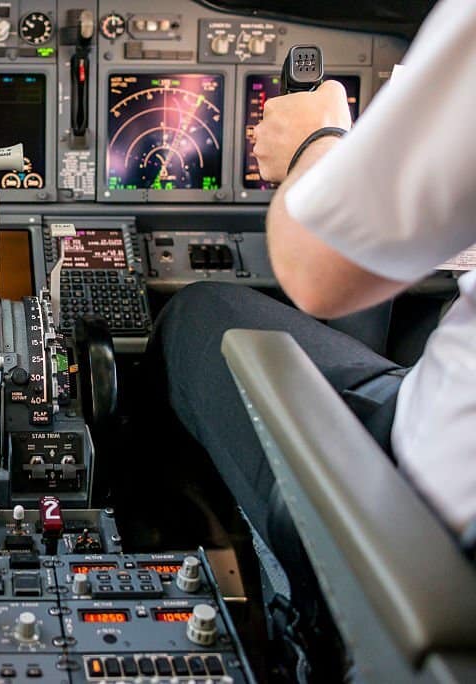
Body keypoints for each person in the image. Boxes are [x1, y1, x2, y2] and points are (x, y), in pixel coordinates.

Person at [135, 0, 476, 654]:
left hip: (420, 504)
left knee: (195, 314)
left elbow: (319, 268)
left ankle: (169, 529)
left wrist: (315, 144)